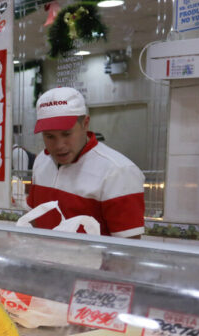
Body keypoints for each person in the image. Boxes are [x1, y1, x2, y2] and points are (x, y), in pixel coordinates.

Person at [27, 87, 145, 238]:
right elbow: (36, 219)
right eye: (50, 136)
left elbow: (128, 250)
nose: (59, 145)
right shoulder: (41, 162)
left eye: (66, 134)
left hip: (94, 262)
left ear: (85, 123)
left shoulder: (119, 172)